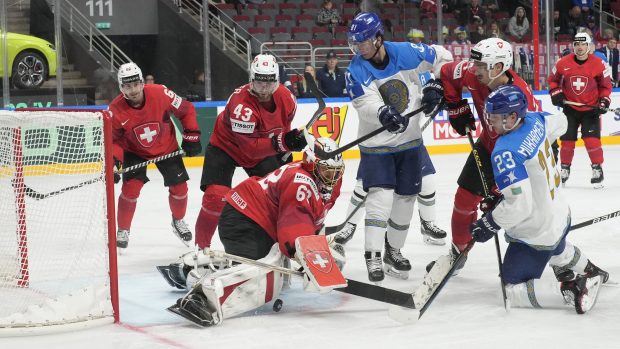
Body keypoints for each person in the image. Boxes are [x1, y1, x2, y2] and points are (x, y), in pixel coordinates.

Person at [164, 138, 347, 326]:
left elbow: (311, 218)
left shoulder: (325, 183)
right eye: (326, 170)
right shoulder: (301, 183)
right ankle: (202, 298)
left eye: (336, 171)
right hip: (245, 219)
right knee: (266, 280)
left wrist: (314, 254)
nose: (331, 177)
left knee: (281, 279)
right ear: (311, 163)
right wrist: (309, 258)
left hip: (258, 221)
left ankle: (190, 267)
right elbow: (292, 231)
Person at [470, 85, 608, 314]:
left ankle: (572, 287)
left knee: (508, 290)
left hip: (537, 229)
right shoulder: (535, 120)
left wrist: (489, 222)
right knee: (557, 249)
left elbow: (519, 206)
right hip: (559, 214)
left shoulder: (505, 151)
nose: (490, 122)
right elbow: (562, 122)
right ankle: (591, 270)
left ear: (512, 116)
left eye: (495, 117)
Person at [345, 12, 452, 282]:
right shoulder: (355, 70)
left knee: (406, 198)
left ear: (378, 38)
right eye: (355, 42)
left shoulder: (406, 52)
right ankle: (373, 255)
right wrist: (382, 112)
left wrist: (436, 84)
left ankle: (394, 250)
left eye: (363, 42)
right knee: (380, 198)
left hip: (410, 143)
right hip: (377, 145)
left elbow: (442, 57)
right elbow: (364, 104)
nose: (358, 47)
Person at [438, 38, 541, 269]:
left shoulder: (520, 98)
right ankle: (458, 251)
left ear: (498, 67)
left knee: (519, 215)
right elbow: (446, 73)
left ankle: (557, 259)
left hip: (517, 158)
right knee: (463, 199)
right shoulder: (474, 74)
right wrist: (455, 107)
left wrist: (496, 190)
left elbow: (528, 148)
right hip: (487, 147)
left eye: (482, 66)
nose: (475, 70)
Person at [194, 54, 304, 249]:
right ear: (251, 79)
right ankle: (200, 248)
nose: (263, 88)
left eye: (269, 82)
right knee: (215, 198)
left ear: (277, 81)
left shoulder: (287, 99)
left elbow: (283, 126)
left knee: (280, 195)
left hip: (262, 147)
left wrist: (287, 146)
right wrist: (283, 143)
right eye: (259, 81)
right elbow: (250, 151)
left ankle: (282, 241)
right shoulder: (241, 106)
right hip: (226, 148)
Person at [109, 62, 202, 249]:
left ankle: (178, 221)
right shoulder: (115, 110)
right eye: (127, 86)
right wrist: (113, 161)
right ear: (121, 88)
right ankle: (123, 229)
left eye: (135, 84)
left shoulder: (161, 93)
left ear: (142, 82)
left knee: (180, 187)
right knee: (130, 190)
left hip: (166, 147)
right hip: (134, 151)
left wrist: (191, 135)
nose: (133, 90)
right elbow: (113, 140)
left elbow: (186, 110)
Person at [548, 32, 612, 189]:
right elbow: (552, 80)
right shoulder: (563, 63)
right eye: (576, 44)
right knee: (567, 140)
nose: (580, 47)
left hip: (591, 109)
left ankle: (597, 169)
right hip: (570, 108)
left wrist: (604, 100)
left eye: (583, 44)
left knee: (592, 140)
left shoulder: (599, 64)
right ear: (573, 46)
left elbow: (605, 86)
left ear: (589, 46)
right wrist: (556, 93)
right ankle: (564, 169)